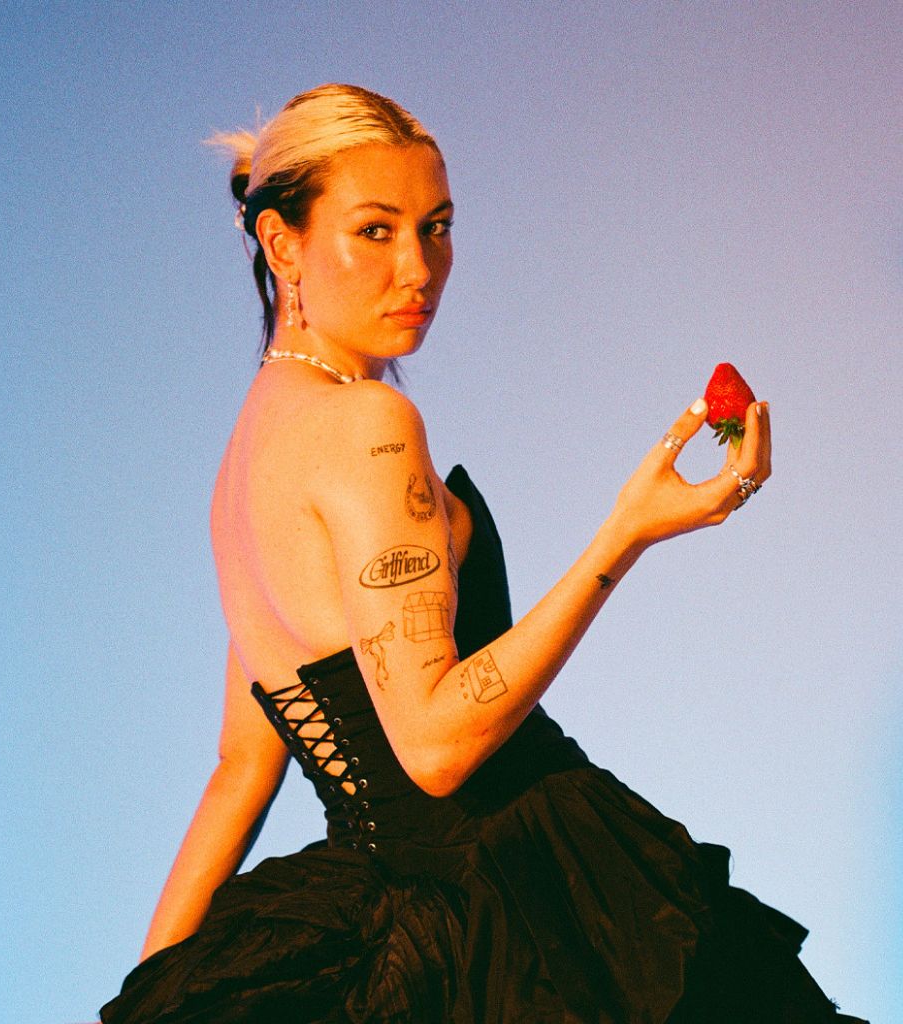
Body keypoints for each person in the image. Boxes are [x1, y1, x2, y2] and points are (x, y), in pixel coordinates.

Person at [100, 84, 864, 1024]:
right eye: (375, 231)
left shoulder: (245, 460)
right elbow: (432, 746)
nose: (419, 268)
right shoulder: (366, 424)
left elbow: (241, 768)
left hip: (382, 908)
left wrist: (146, 996)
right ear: (282, 243)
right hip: (521, 903)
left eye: (438, 227)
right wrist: (626, 533)